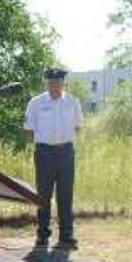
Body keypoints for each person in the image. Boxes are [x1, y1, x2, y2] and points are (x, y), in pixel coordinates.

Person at [24, 68, 83, 249]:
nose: (55, 86)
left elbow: (79, 126)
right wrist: (42, 145)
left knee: (66, 194)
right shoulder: (36, 102)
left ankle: (66, 235)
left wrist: (63, 140)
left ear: (63, 83)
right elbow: (28, 130)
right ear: (46, 83)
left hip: (66, 152)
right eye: (51, 83)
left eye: (58, 82)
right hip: (45, 153)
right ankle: (43, 234)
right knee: (43, 194)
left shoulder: (73, 102)